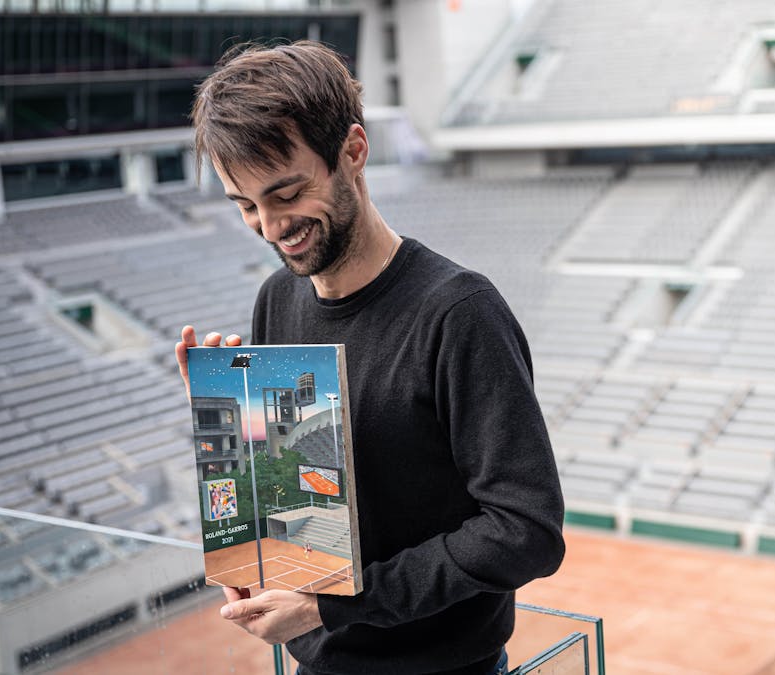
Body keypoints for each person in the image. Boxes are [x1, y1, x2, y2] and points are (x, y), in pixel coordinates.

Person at [174, 40, 565, 675]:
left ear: (353, 151)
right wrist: (228, 424)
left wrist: (336, 606)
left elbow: (526, 533)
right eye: (246, 205)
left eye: (287, 193)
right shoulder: (276, 299)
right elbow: (295, 492)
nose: (271, 227)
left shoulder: (460, 312)